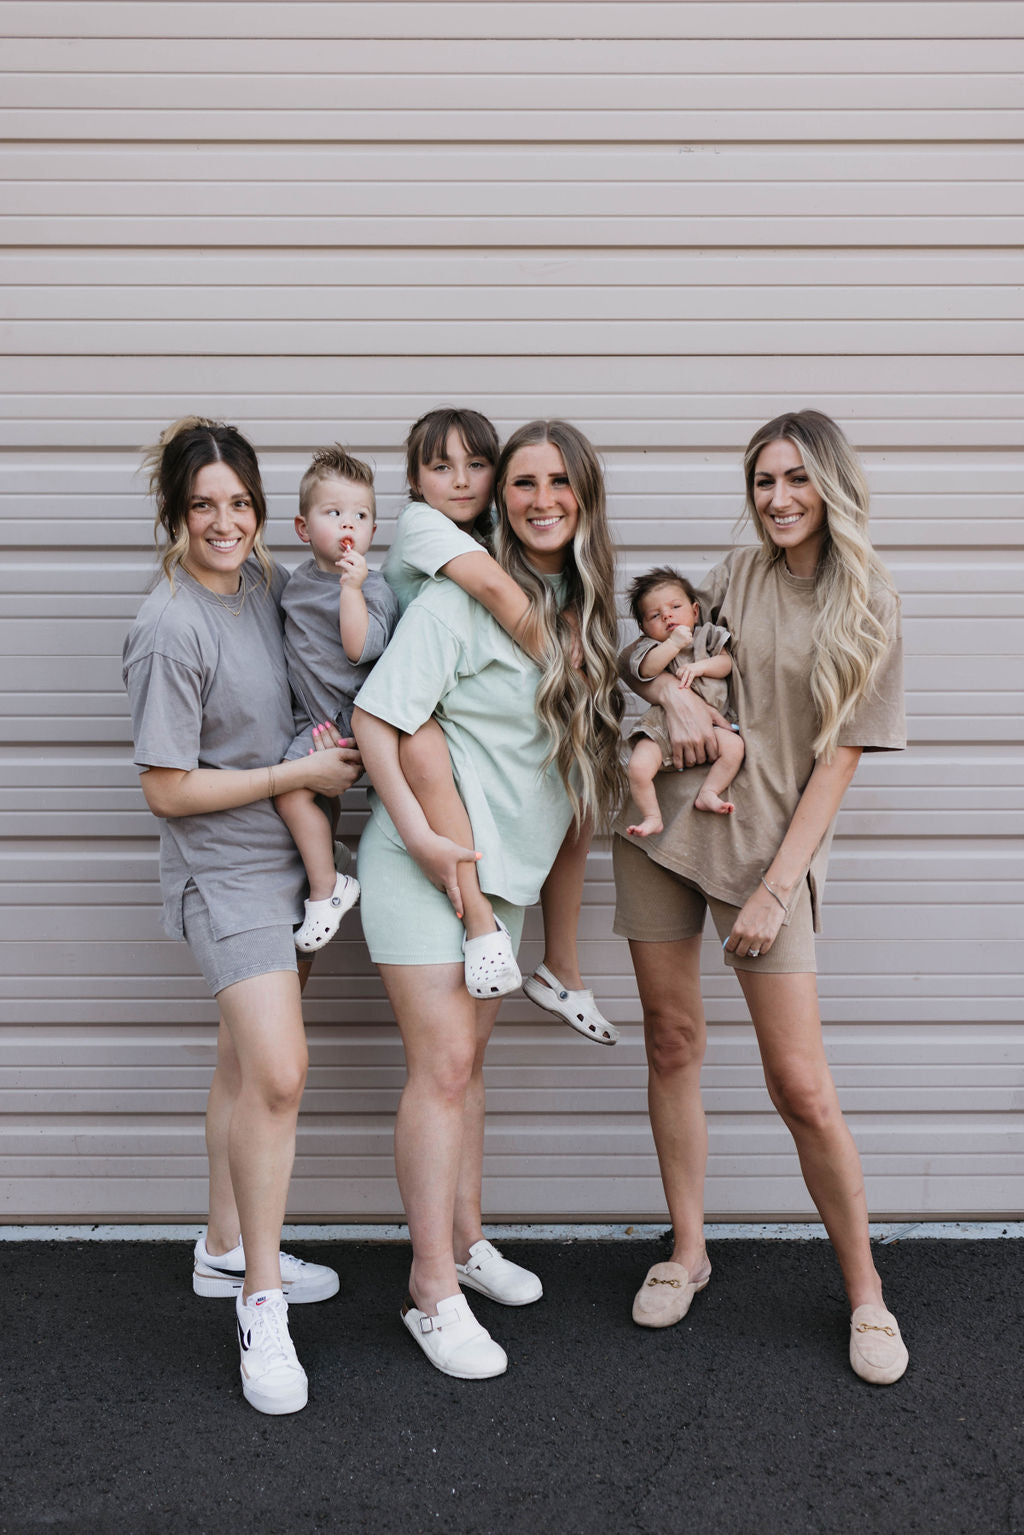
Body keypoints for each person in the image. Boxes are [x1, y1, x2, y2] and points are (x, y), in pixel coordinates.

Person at [613, 410, 909, 1386]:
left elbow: (838, 763)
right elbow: (645, 652)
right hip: (668, 827)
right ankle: (688, 1248)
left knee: (802, 1087)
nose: (776, 498)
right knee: (670, 1039)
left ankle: (866, 1292)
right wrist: (676, 694)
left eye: (793, 479)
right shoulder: (733, 574)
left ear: (830, 482)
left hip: (768, 853)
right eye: (760, 481)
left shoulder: (865, 601)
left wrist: (780, 888)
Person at [352, 419, 624, 1378]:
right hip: (427, 866)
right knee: (444, 1073)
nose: (540, 498)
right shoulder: (454, 595)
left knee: (468, 1070)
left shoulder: (582, 610)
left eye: (559, 482)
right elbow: (377, 716)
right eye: (523, 483)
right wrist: (423, 835)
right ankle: (431, 1288)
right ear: (498, 500)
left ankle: (467, 1244)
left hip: (503, 881)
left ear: (584, 495)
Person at [122, 418, 362, 1415]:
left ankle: (224, 1247)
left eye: (237, 501)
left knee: (239, 1064)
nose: (223, 520)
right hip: (223, 869)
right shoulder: (168, 625)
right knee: (280, 1069)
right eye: (202, 503)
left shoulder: (263, 583)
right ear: (176, 513)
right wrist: (296, 773)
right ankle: (262, 1304)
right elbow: (167, 789)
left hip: (286, 853)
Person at [384, 406, 620, 1043]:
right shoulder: (425, 529)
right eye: (441, 467)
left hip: (438, 720)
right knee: (425, 749)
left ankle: (561, 963)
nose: (460, 481)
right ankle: (478, 916)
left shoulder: (520, 550)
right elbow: (490, 587)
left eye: (476, 466)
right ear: (413, 481)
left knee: (585, 772)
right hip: (395, 699)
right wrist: (560, 656)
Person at [275, 445, 399, 951]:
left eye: (361, 515)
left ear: (373, 530)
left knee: (289, 789)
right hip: (313, 718)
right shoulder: (295, 584)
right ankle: (328, 863)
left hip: (352, 718)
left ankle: (328, 888)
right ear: (304, 529)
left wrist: (353, 589)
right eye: (333, 513)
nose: (349, 523)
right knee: (301, 797)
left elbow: (357, 650)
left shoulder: (373, 588)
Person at [624, 566, 744, 834]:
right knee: (638, 767)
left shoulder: (708, 635)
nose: (667, 615)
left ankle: (709, 793)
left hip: (715, 724)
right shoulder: (649, 647)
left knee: (734, 747)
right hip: (663, 725)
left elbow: (726, 664)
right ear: (644, 628)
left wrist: (701, 668)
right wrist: (672, 645)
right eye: (655, 615)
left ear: (694, 611)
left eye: (675, 607)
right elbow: (647, 670)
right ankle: (652, 816)